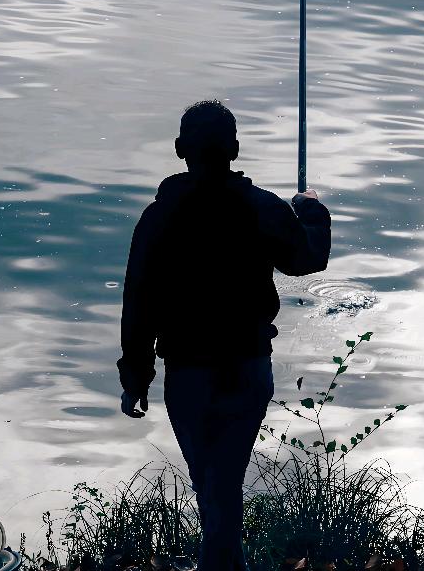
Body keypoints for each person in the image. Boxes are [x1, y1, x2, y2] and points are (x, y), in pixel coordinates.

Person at [116, 100, 332, 571]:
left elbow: (139, 305)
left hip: (188, 373)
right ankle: (222, 564)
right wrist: (311, 212)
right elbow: (306, 260)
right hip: (247, 368)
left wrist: (136, 375)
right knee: (219, 480)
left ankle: (218, 565)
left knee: (213, 480)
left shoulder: (158, 219)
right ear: (234, 148)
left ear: (179, 150)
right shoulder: (263, 209)